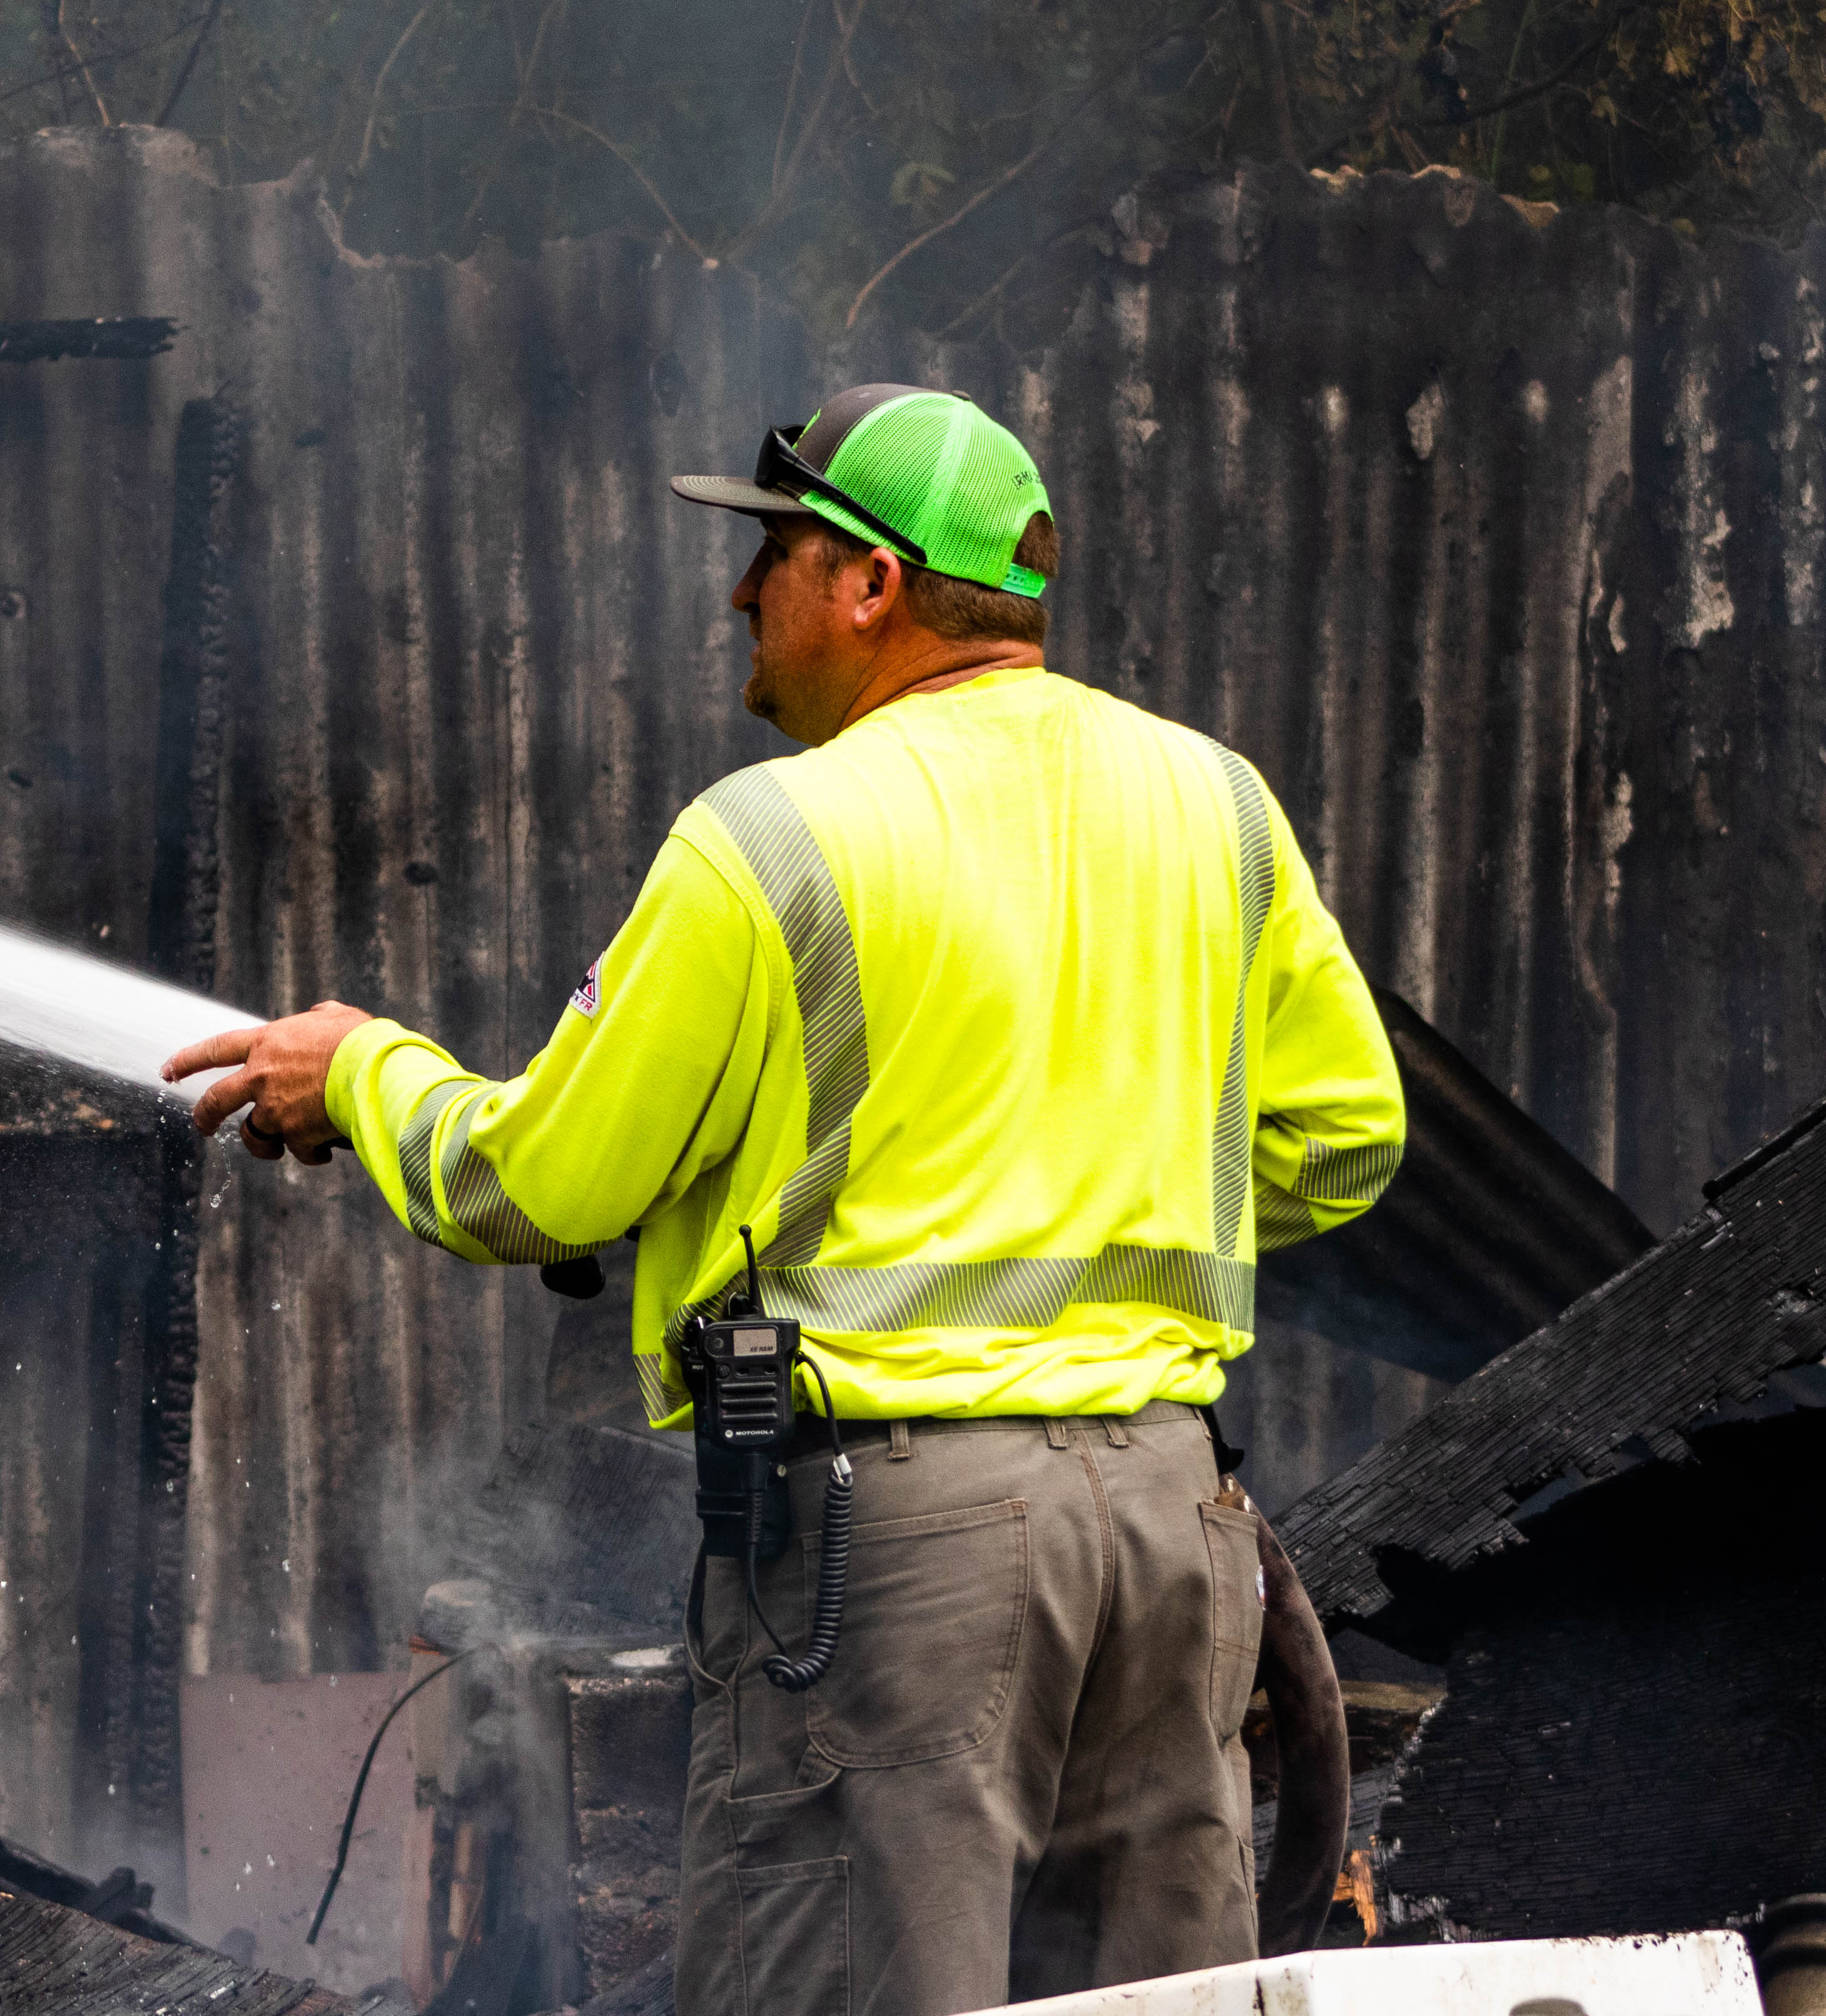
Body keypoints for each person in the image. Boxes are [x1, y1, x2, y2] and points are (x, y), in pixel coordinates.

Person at [167, 383, 1408, 2016]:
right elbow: (1346, 1136)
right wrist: (1092, 1187)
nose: (742, 594)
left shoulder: (773, 841)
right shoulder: (1216, 806)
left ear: (875, 584)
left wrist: (368, 1076)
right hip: (1178, 1534)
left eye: (777, 553)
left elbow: (537, 1178)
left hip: (897, 1561)